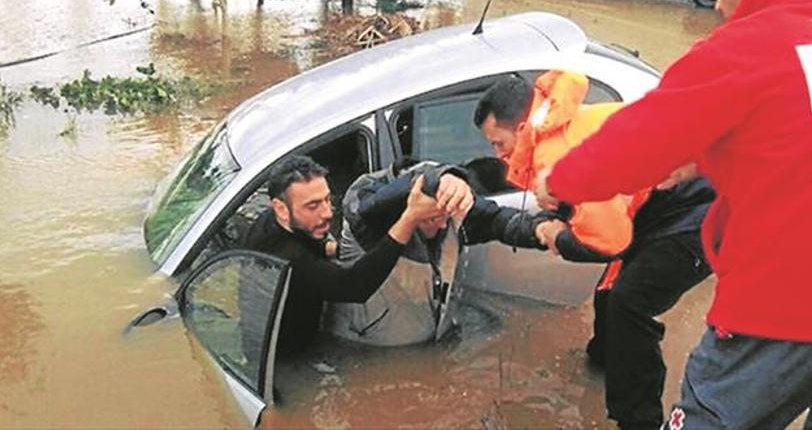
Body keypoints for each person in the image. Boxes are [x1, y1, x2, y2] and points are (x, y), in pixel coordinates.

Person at [537, 0, 812, 428]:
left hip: (786, 306)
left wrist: (559, 179)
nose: (716, 3)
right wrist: (705, 159)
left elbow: (634, 143)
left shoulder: (747, 43)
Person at [474, 71, 715, 430]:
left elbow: (609, 242)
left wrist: (560, 240)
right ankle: (601, 363)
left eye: (498, 143)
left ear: (521, 126)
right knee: (608, 294)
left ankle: (639, 421)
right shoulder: (555, 124)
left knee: (628, 304)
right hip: (655, 206)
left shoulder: (555, 151)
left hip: (696, 209)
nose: (497, 154)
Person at [324, 159, 560, 346]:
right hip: (366, 349)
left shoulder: (450, 212)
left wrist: (540, 230)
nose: (443, 225)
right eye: (431, 218)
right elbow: (371, 206)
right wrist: (441, 177)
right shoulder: (370, 223)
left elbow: (497, 220)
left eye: (444, 217)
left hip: (431, 344)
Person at [240, 155, 447, 355]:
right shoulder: (287, 256)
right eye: (313, 205)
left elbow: (307, 244)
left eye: (327, 199)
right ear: (281, 208)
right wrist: (409, 219)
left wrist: (333, 249)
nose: (328, 213)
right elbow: (354, 287)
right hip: (287, 358)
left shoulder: (275, 220)